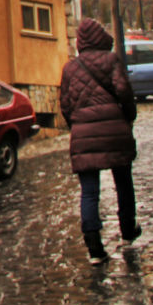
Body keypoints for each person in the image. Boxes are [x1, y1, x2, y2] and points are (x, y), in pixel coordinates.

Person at [59, 18, 142, 264]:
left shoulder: (70, 68)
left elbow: (65, 104)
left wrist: (76, 124)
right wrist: (128, 118)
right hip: (115, 129)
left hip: (83, 135)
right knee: (124, 183)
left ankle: (94, 247)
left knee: (89, 192)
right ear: (100, 37)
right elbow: (124, 92)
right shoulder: (111, 60)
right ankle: (128, 232)